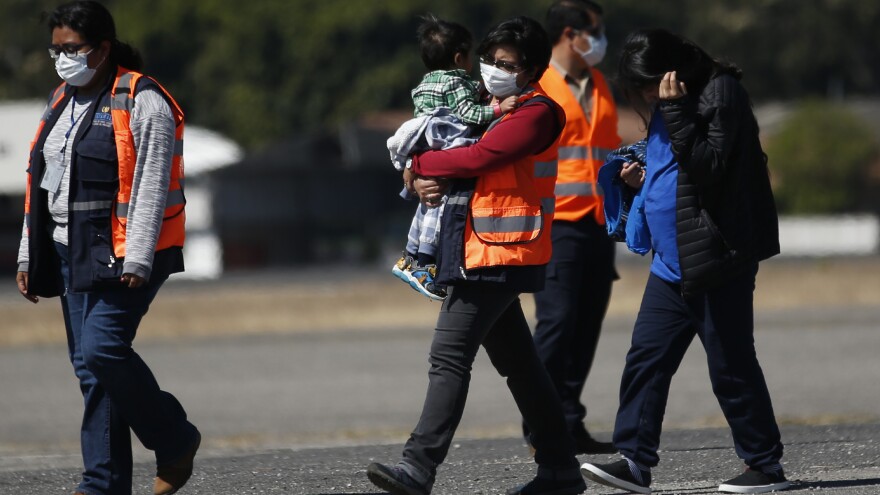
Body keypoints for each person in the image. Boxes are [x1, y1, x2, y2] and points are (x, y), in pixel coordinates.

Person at [366, 16, 587, 495]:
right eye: (489, 59)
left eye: (505, 63)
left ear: (530, 70)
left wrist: (419, 163)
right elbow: (454, 155)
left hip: (500, 253)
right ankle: (561, 471)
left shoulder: (537, 112)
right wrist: (416, 177)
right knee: (522, 368)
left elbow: (479, 158)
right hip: (475, 249)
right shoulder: (486, 105)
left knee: (448, 358)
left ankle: (417, 468)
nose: (491, 69)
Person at [580, 28, 790, 494]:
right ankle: (634, 461)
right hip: (670, 263)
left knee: (730, 364)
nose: (648, 95)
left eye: (650, 84)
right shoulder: (668, 107)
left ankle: (765, 465)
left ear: (673, 69)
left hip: (716, 258)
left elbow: (709, 166)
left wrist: (673, 110)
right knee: (646, 360)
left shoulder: (721, 92)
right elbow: (673, 168)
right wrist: (638, 181)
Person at [15, 2, 200, 494]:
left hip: (125, 254)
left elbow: (151, 185)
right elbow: (41, 180)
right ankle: (103, 483)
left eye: (70, 48)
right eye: (55, 48)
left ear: (101, 48)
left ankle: (175, 437)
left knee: (102, 349)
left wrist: (138, 257)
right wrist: (28, 253)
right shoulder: (60, 98)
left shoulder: (144, 100)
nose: (61, 57)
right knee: (90, 370)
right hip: (67, 250)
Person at [523, 0, 621, 456]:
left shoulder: (599, 82)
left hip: (599, 222)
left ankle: (569, 421)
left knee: (585, 327)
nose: (599, 42)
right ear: (568, 34)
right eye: (593, 33)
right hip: (556, 221)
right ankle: (541, 423)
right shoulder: (537, 86)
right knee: (557, 324)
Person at [389, 13, 516, 301]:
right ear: (460, 58)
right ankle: (424, 265)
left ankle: (410, 257)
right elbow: (468, 113)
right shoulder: (457, 83)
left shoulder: (423, 85)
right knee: (439, 206)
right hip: (449, 147)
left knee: (427, 207)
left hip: (429, 147)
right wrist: (500, 109)